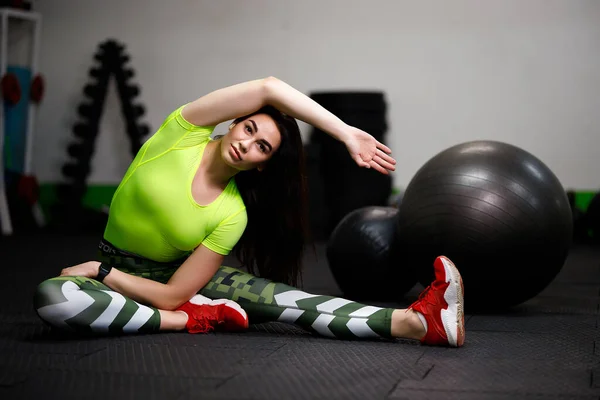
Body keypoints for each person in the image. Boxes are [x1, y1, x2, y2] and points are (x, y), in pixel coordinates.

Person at [33, 77, 465, 347]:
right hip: (123, 285)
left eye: (262, 147)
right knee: (55, 298)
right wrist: (345, 132)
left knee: (285, 302)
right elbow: (268, 88)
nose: (248, 142)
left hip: (163, 281)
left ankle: (416, 323)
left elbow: (170, 291)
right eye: (249, 128)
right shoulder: (178, 135)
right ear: (234, 122)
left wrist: (100, 272)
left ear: (261, 164)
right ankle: (185, 322)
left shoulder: (232, 214)